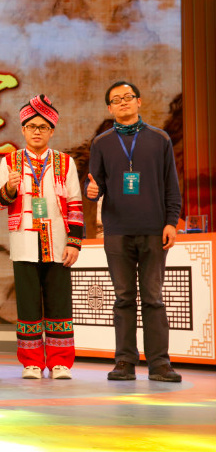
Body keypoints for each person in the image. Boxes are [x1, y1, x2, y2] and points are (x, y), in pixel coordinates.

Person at [85, 81, 182, 382]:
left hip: (154, 229)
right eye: (116, 99)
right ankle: (124, 362)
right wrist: (92, 191)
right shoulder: (101, 143)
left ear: (139, 102)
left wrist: (171, 221)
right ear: (109, 108)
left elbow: (171, 185)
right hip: (117, 231)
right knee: (123, 298)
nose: (123, 102)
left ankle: (160, 364)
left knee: (153, 298)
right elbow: (95, 184)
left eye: (128, 97)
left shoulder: (159, 138)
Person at [0, 94, 83, 379]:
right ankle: (31, 362)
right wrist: (9, 188)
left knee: (59, 303)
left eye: (43, 127)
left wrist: (74, 243)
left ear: (51, 131)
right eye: (31, 126)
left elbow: (76, 204)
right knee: (28, 305)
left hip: (58, 243)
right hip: (24, 244)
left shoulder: (65, 162)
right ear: (23, 129)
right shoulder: (10, 161)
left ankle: (60, 362)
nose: (37, 131)